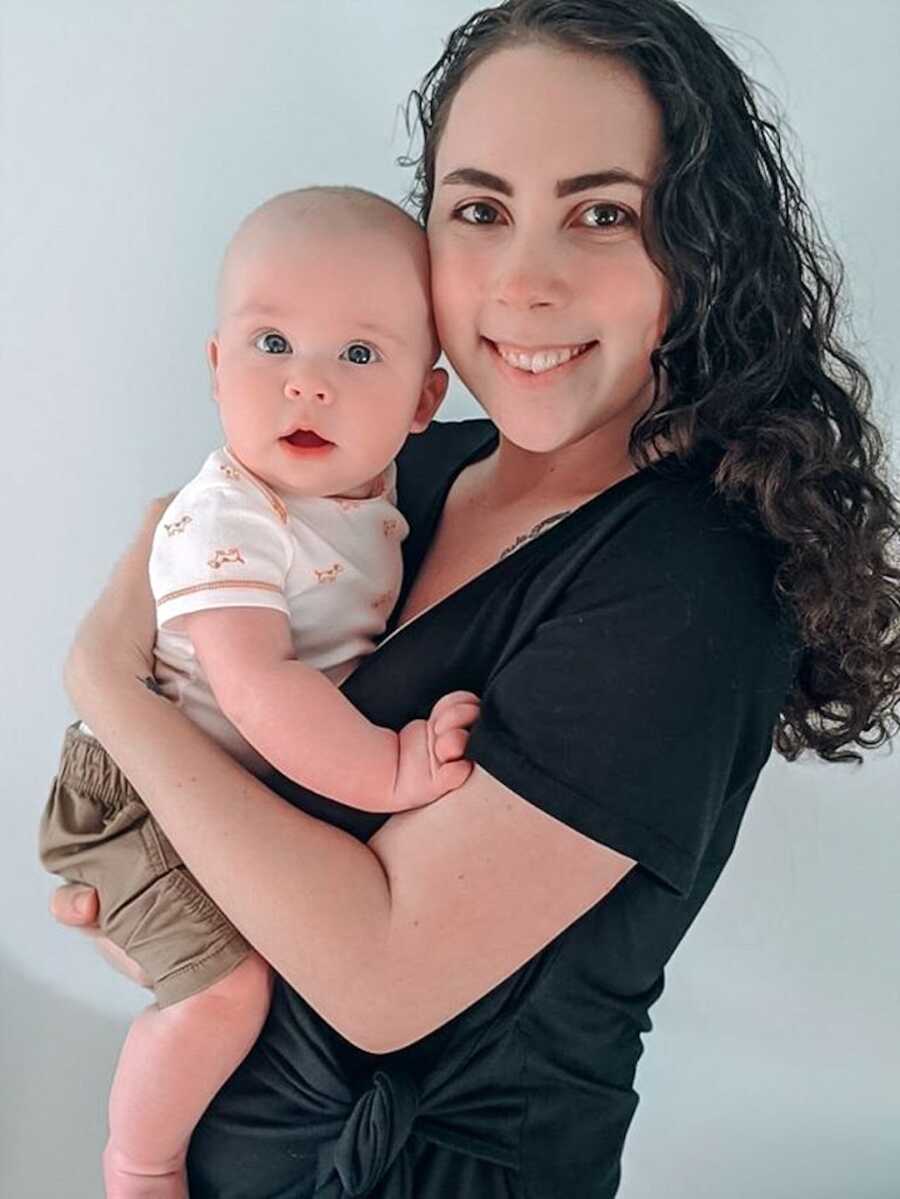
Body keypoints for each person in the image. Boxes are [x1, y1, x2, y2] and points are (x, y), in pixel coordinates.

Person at [51, 1, 900, 1196]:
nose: (526, 281)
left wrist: (102, 683)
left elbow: (384, 978)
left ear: (696, 252)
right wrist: (164, 918)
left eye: (602, 214)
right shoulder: (413, 470)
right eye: (481, 210)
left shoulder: (689, 581)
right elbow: (268, 820)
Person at [39, 186, 480, 1199]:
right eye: (271, 343)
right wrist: (395, 764)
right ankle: (139, 1160)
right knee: (227, 988)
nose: (307, 387)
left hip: (211, 786)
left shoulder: (366, 503)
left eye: (358, 356)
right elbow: (254, 684)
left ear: (424, 399)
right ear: (216, 367)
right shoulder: (226, 519)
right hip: (135, 792)